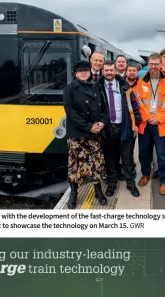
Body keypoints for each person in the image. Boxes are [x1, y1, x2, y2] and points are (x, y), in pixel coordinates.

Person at [63, 60, 108, 209]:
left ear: (90, 72)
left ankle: (98, 191)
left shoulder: (97, 88)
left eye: (86, 70)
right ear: (75, 73)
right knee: (75, 165)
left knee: (96, 163)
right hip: (78, 134)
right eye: (80, 71)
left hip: (95, 133)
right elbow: (71, 113)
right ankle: (74, 193)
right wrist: (89, 127)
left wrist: (103, 122)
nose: (83, 73)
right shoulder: (69, 89)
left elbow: (105, 110)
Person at [99, 61, 141, 197]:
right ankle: (112, 183)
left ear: (116, 71)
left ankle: (130, 183)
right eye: (106, 70)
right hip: (107, 129)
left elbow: (135, 106)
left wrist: (136, 124)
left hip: (124, 127)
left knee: (127, 158)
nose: (109, 72)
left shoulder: (125, 86)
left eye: (112, 70)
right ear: (103, 71)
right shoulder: (97, 87)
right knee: (110, 158)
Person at [135, 53, 165, 196]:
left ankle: (164, 181)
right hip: (145, 124)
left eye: (156, 64)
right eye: (151, 64)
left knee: (162, 154)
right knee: (144, 152)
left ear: (160, 64)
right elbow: (139, 101)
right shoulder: (141, 81)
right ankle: (145, 174)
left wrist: (157, 118)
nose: (153, 67)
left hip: (161, 123)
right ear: (148, 64)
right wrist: (147, 116)